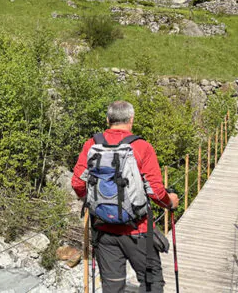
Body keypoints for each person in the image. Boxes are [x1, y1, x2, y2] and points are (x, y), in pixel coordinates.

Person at [72, 101, 179, 293]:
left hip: (104, 231)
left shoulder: (91, 144)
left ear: (108, 120)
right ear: (131, 120)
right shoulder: (141, 147)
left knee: (112, 286)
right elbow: (155, 191)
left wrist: (96, 205)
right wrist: (170, 201)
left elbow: (78, 183)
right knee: (151, 283)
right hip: (138, 231)